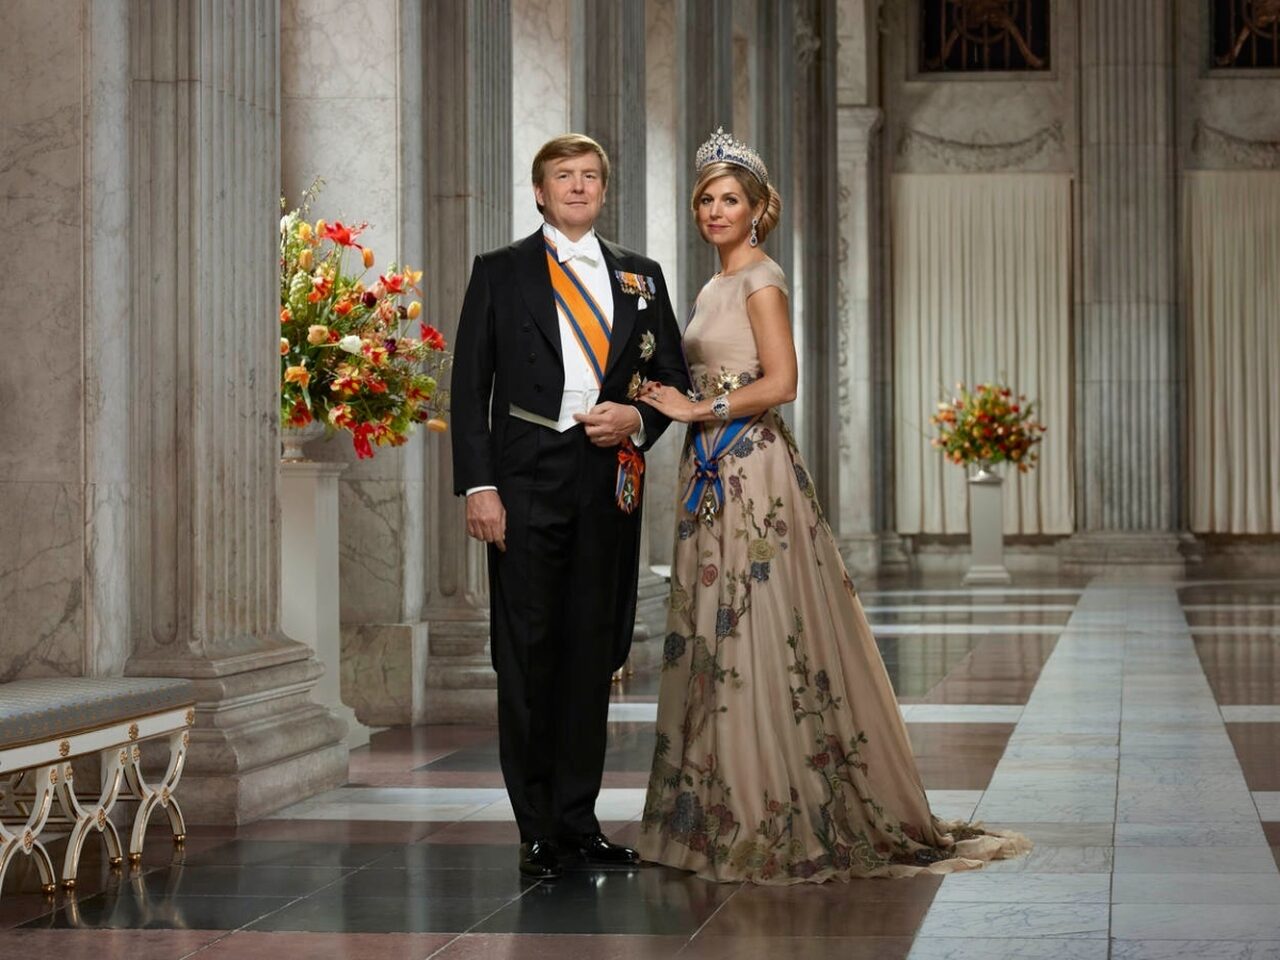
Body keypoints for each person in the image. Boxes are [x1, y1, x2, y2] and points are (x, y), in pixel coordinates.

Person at [635, 128, 1030, 883]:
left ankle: (765, 813)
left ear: (758, 211)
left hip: (751, 470)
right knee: (711, 628)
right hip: (707, 473)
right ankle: (711, 812)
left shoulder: (761, 278)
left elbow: (782, 383)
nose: (715, 211)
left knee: (755, 627)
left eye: (730, 200)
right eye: (706, 199)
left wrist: (697, 411)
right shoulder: (711, 286)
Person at [451, 134, 690, 880]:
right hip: (524, 476)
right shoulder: (500, 271)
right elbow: (469, 390)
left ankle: (579, 823)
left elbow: (672, 377)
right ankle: (536, 829)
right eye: (564, 176)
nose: (579, 186)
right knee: (528, 652)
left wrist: (637, 419)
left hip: (607, 476)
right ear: (540, 191)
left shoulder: (641, 276)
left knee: (595, 647)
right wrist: (480, 487)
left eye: (590, 176)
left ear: (603, 191)